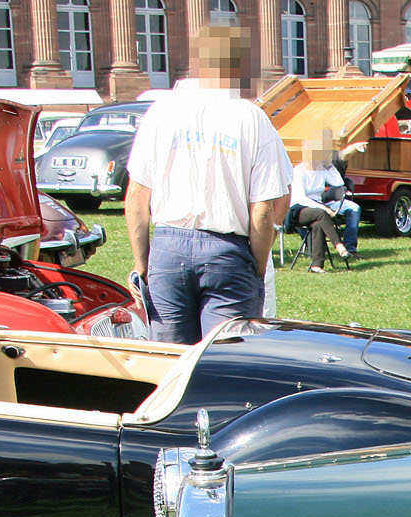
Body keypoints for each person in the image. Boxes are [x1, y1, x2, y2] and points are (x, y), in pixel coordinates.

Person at [124, 23, 291, 342]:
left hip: (168, 248)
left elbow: (136, 198)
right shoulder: (251, 117)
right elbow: (265, 211)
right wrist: (256, 268)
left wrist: (143, 263)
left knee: (171, 364)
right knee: (224, 362)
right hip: (227, 250)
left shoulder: (160, 113)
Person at [290, 130, 351, 272]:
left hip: (318, 211)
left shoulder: (321, 170)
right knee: (321, 214)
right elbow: (301, 198)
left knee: (318, 225)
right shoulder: (299, 171)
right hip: (299, 210)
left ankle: (317, 265)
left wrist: (330, 166)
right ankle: (339, 246)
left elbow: (338, 182)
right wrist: (324, 209)